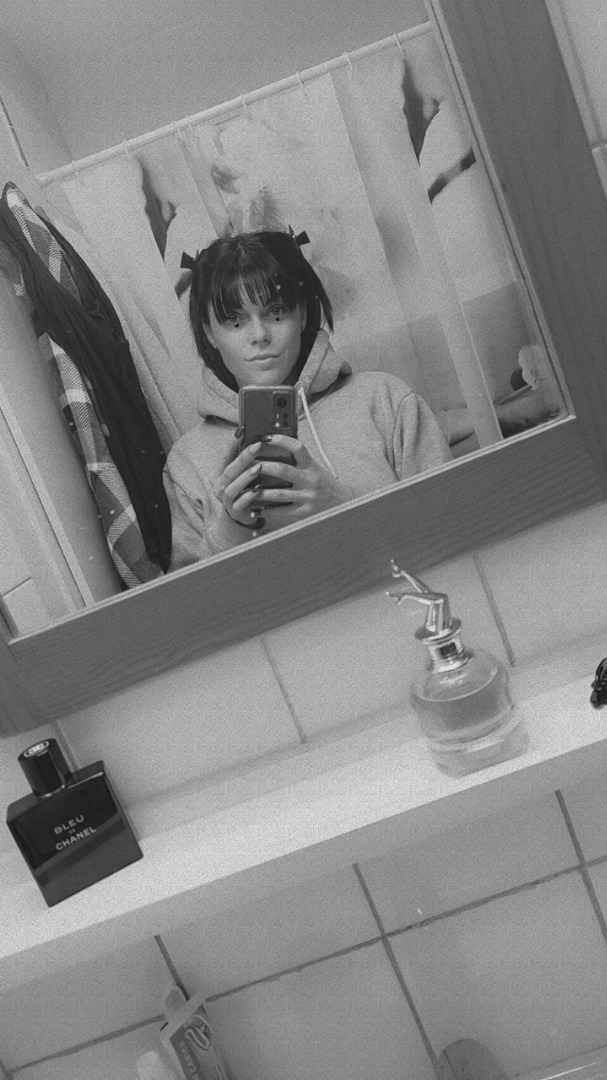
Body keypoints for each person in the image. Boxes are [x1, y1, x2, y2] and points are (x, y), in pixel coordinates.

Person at [163, 230, 452, 569]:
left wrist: (343, 504)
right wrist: (229, 534)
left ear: (301, 314)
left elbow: (458, 529)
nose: (260, 335)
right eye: (234, 320)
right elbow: (190, 600)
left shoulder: (386, 400)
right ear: (209, 332)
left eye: (275, 312)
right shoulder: (187, 462)